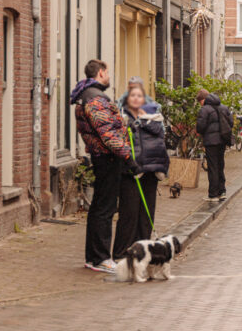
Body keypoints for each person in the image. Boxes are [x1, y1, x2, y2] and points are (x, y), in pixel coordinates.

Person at [70, 59, 141, 274]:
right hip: (107, 158)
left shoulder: (86, 96)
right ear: (100, 73)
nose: (109, 76)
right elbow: (107, 132)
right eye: (108, 72)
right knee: (105, 208)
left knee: (99, 207)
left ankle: (94, 257)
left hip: (100, 155)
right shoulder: (95, 98)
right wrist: (128, 158)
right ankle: (100, 258)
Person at [114, 81, 170, 259]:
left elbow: (160, 137)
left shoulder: (154, 117)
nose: (136, 98)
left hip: (151, 171)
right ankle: (122, 253)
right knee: (129, 213)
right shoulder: (121, 118)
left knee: (146, 213)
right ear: (127, 99)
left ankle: (143, 251)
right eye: (133, 95)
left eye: (140, 95)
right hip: (131, 171)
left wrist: (144, 121)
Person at [196, 89, 233, 202]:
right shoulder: (224, 107)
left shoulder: (205, 110)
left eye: (200, 102)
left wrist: (203, 133)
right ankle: (222, 191)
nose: (200, 104)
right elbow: (231, 123)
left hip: (211, 142)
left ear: (203, 100)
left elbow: (200, 127)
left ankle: (213, 194)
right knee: (220, 165)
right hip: (222, 141)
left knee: (212, 167)